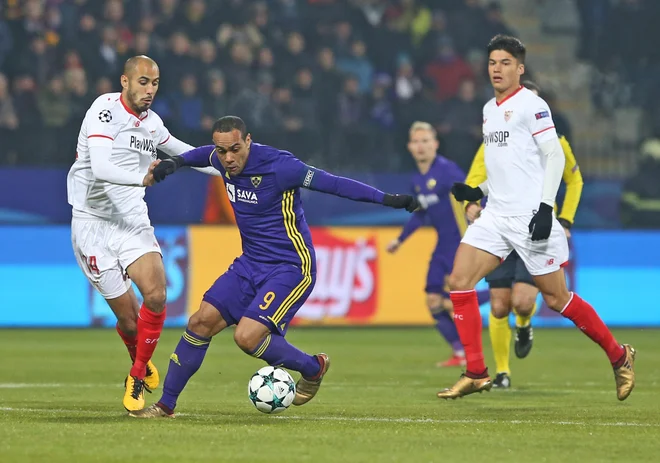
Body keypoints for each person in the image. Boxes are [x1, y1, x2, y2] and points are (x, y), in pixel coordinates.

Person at [129, 115, 419, 418]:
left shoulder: (281, 166)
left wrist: (388, 199)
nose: (227, 159)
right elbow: (202, 154)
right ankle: (165, 406)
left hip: (291, 267)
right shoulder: (219, 156)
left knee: (246, 337)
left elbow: (334, 184)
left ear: (249, 141)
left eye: (235, 149)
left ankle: (313, 367)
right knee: (200, 322)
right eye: (222, 151)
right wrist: (175, 163)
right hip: (249, 264)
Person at [437, 35, 635, 401]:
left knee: (557, 298)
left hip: (530, 219)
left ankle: (619, 356)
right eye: (493, 62)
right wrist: (478, 193)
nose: (497, 68)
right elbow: (511, 166)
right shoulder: (488, 110)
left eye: (506, 63)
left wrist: (547, 208)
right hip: (496, 216)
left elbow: (554, 157)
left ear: (520, 68)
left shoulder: (532, 104)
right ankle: (477, 372)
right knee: (459, 280)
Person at [67, 55, 215, 412]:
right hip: (91, 223)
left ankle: (136, 376)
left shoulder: (152, 123)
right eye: (143, 82)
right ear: (125, 82)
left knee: (157, 295)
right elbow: (101, 168)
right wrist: (143, 177)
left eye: (155, 83)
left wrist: (231, 168)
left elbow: (183, 152)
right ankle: (140, 357)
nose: (150, 90)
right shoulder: (103, 111)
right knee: (130, 322)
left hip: (131, 219)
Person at [463, 80, 584, 388]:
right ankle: (502, 373)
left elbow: (575, 181)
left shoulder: (555, 141)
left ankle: (526, 324)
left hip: (535, 231)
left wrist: (565, 220)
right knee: (500, 304)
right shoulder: (495, 138)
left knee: (522, 302)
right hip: (502, 227)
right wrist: (472, 204)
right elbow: (477, 177)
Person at [387, 121, 489, 368]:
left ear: (435, 144)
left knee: (453, 297)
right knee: (433, 301)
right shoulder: (417, 180)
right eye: (416, 142)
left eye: (425, 141)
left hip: (461, 243)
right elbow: (420, 213)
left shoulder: (447, 171)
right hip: (442, 245)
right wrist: (400, 240)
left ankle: (496, 296)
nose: (421, 146)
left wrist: (481, 217)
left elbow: (472, 194)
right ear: (409, 147)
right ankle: (459, 353)